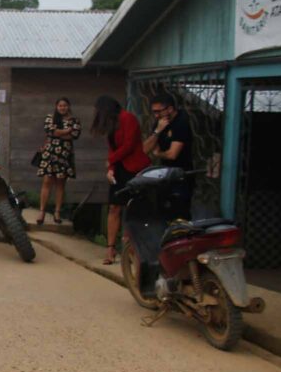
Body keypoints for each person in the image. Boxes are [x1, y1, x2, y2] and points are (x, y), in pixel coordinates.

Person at [92, 95, 150, 265]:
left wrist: (111, 161)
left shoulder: (127, 118)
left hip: (134, 168)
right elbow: (113, 148)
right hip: (119, 168)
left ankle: (128, 247)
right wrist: (110, 168)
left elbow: (129, 145)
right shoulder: (112, 124)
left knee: (131, 208)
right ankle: (110, 248)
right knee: (114, 207)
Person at [142, 91, 194, 219]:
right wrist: (157, 131)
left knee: (179, 211)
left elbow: (172, 154)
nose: (156, 115)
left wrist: (159, 154)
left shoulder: (181, 122)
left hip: (182, 174)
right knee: (163, 210)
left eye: (159, 111)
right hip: (165, 174)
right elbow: (144, 149)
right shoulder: (160, 123)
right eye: (154, 112)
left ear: (170, 109)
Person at [36, 97, 81, 225]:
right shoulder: (50, 117)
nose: (62, 108)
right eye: (60, 105)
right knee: (47, 181)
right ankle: (42, 211)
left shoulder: (74, 120)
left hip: (64, 155)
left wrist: (58, 132)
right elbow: (50, 131)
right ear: (56, 107)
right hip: (50, 153)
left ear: (69, 106)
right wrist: (66, 131)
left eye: (65, 105)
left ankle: (57, 212)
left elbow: (74, 135)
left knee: (60, 183)